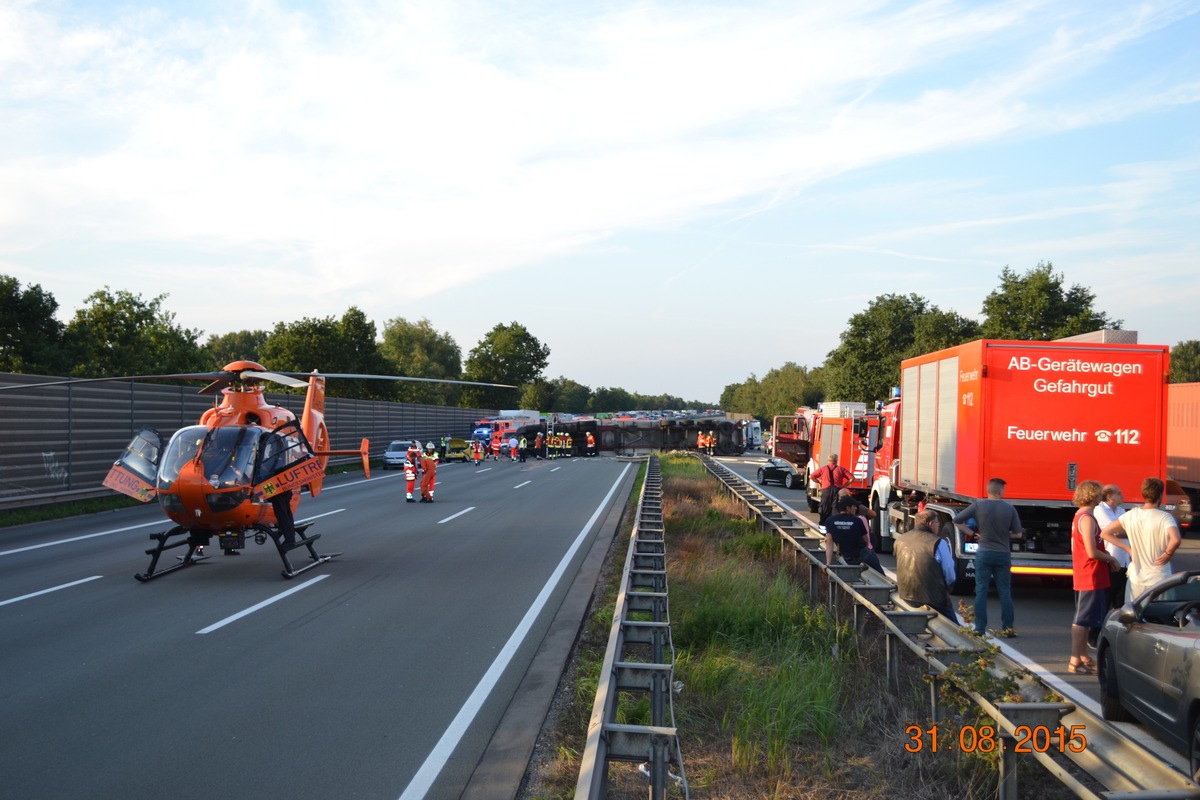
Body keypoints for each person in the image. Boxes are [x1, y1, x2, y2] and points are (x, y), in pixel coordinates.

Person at [954, 477, 1024, 638]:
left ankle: (979, 627)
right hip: (1003, 553)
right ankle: (1008, 628)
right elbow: (1018, 534)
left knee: (981, 591)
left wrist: (972, 533)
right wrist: (1006, 534)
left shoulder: (979, 505)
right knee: (1005, 591)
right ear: (1000, 491)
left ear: (988, 490)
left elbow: (957, 521)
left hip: (984, 552)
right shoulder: (1009, 509)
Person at [1100, 476, 1181, 601]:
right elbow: (1175, 539)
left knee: (1134, 616)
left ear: (1143, 494)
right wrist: (1167, 554)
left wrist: (1128, 549)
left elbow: (1105, 533)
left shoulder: (1130, 515)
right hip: (1159, 577)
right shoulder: (1165, 517)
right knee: (1159, 617)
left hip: (1136, 578)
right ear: (1160, 496)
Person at [1068, 480, 1119, 674]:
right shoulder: (1086, 518)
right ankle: (1075, 660)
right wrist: (1110, 558)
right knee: (1082, 619)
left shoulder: (1083, 516)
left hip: (1091, 573)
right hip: (1089, 573)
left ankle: (1082, 656)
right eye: (1099, 493)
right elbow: (1091, 551)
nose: (1101, 496)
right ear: (1092, 495)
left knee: (1087, 619)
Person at [894, 509, 957, 622]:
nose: (939, 526)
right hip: (931, 597)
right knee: (954, 629)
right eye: (938, 523)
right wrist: (947, 588)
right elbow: (949, 573)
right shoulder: (938, 542)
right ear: (931, 524)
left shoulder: (900, 539)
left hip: (905, 593)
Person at [823, 495, 883, 574]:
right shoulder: (857, 521)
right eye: (854, 506)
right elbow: (866, 540)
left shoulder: (830, 521)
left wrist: (828, 563)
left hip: (848, 558)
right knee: (880, 575)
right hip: (863, 554)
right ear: (848, 508)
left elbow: (829, 543)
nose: (855, 508)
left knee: (853, 578)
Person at [1093, 484, 1129, 610]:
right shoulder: (1100, 510)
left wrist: (1124, 531)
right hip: (1111, 559)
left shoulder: (1121, 511)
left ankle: (1116, 626)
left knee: (1120, 599)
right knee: (1106, 597)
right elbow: (1113, 532)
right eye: (1119, 493)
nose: (1122, 496)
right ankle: (1099, 626)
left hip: (1124, 560)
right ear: (1109, 496)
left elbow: (1123, 530)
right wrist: (1129, 532)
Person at [813, 454, 853, 526]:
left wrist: (819, 481)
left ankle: (823, 525)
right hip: (837, 490)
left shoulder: (823, 468)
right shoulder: (841, 469)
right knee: (835, 507)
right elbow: (852, 478)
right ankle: (835, 524)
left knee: (825, 507)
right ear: (836, 460)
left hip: (826, 490)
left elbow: (811, 476)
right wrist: (844, 486)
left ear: (828, 460)